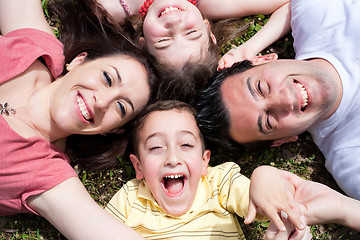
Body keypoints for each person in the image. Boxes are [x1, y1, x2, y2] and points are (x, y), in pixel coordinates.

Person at [0, 0, 158, 239]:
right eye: (107, 78)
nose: (102, 101)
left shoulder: (45, 173)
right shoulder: (38, 49)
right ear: (78, 61)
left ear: (113, 130)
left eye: (121, 107)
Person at [196, 0, 360, 200]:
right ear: (282, 140)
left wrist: (248, 47)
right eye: (268, 121)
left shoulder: (317, 12)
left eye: (260, 88)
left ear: (262, 59)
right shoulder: (350, 160)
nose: (284, 100)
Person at [105, 100, 313, 239]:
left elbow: (260, 203)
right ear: (138, 166)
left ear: (204, 161)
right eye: (156, 147)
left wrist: (265, 176)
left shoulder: (219, 182)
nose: (172, 158)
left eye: (185, 145)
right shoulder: (130, 199)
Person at [56, 0, 291, 70]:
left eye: (164, 40)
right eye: (191, 32)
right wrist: (246, 50)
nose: (175, 23)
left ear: (143, 43)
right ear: (209, 30)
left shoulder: (112, 8)